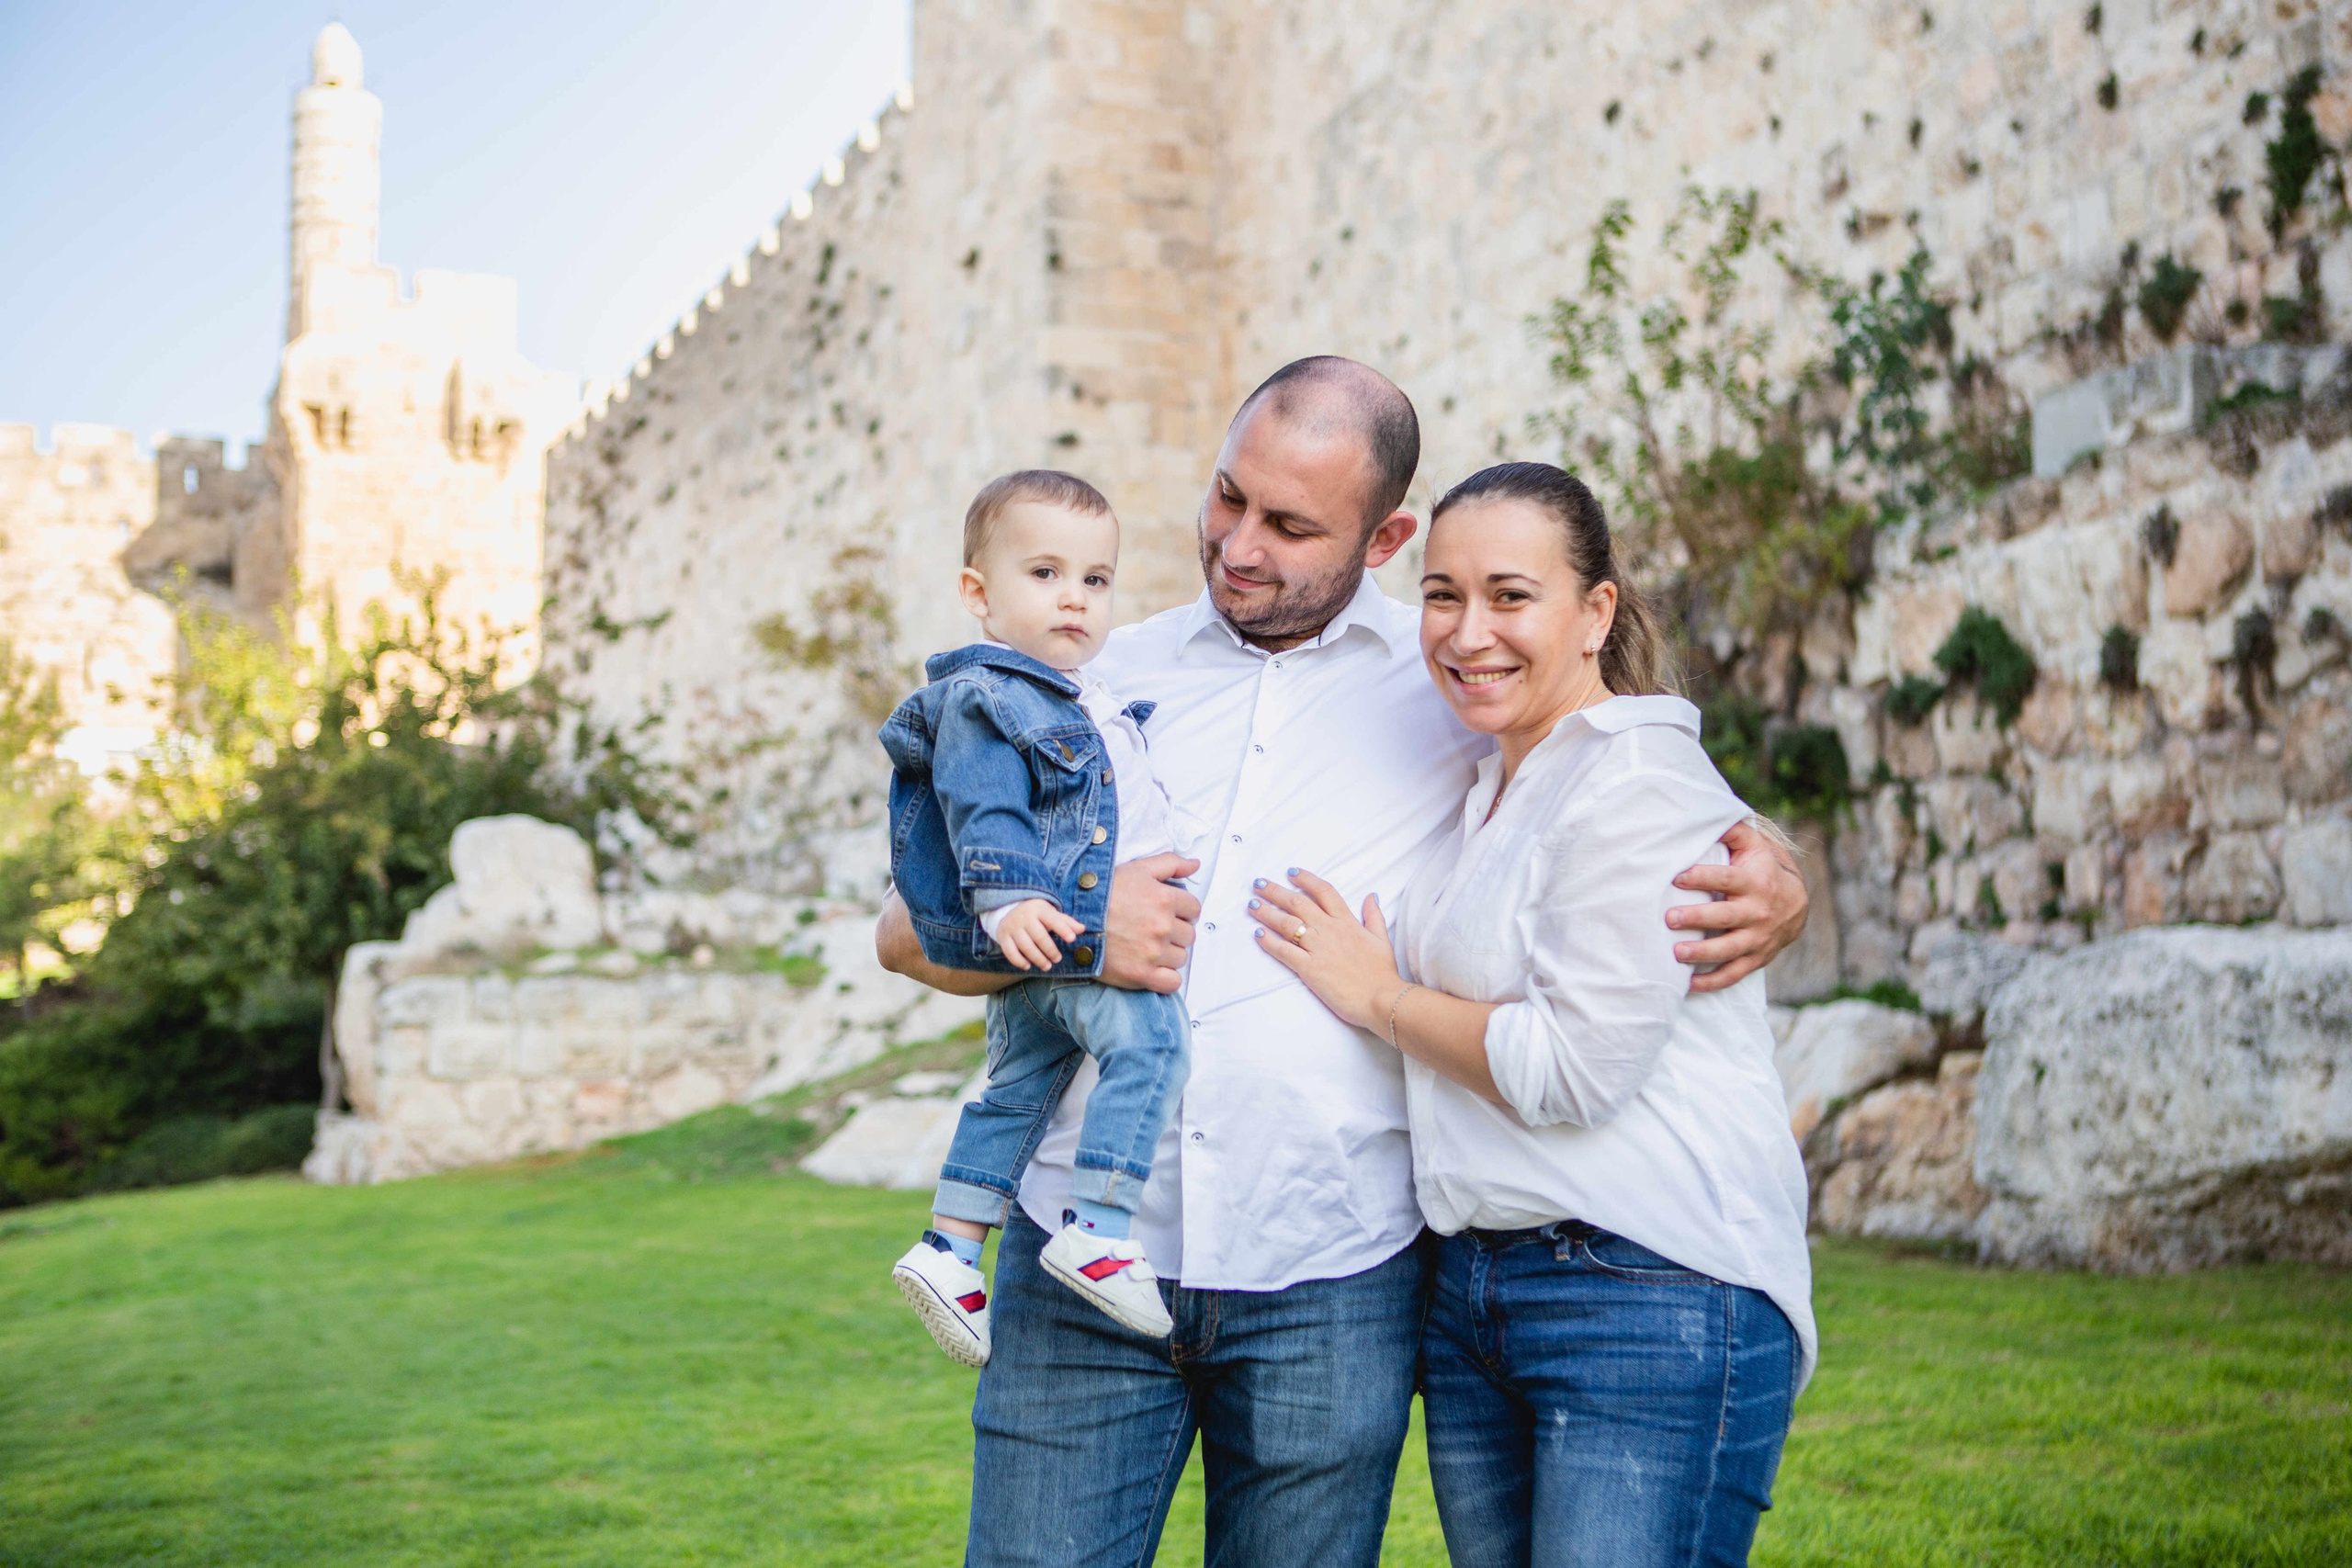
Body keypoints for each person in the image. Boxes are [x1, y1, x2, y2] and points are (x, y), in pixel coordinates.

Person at [876, 358, 1812, 1568]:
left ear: (1385, 540)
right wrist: (1086, 923)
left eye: (1290, 524)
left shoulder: (1454, 683)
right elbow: (904, 931)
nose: (1238, 545)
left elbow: (1609, 756)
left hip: (1333, 1280)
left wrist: (1767, 866)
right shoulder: (1087, 679)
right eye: (1228, 496)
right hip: (1082, 1254)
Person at [1250, 461, 1813, 1568]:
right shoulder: (1495, 781)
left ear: (1595, 612)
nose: (1468, 632)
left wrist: (1378, 996)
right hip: (1478, 1294)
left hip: (1646, 1285)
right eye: (1442, 595)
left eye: (1509, 595)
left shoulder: (1636, 781)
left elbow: (1569, 1070)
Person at [883, 471, 1191, 1365]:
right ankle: (1099, 1226)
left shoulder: (1081, 695)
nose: (1075, 599)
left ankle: (950, 1247)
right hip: (1055, 936)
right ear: (978, 593)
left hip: (1038, 951)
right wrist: (1010, 898)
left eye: (1095, 579)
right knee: (1154, 1047)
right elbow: (982, 806)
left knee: (1019, 1093)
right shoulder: (990, 695)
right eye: (1046, 574)